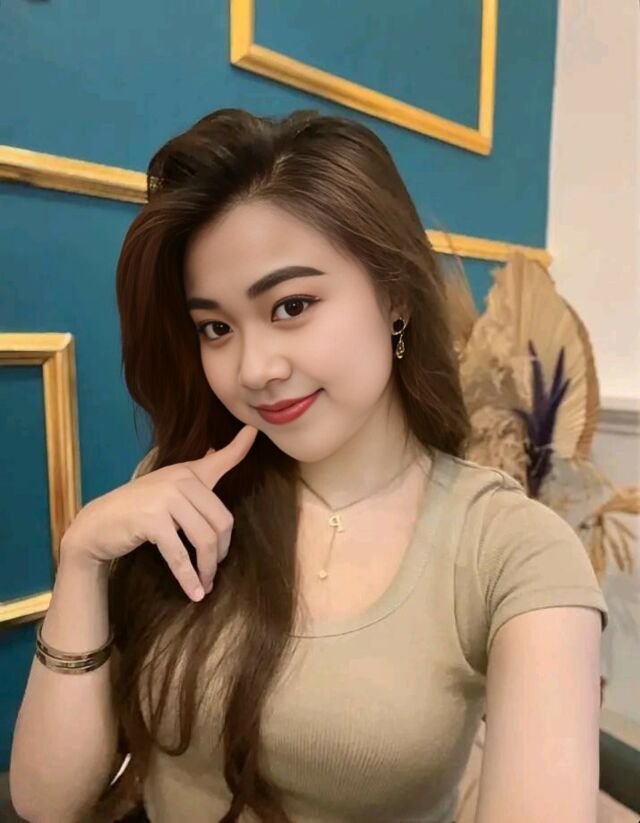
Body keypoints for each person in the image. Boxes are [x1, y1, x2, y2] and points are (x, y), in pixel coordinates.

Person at [10, 108, 609, 823]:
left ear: (394, 296)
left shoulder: (512, 550)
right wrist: (84, 555)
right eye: (216, 327)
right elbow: (44, 802)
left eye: (291, 305)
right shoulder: (185, 495)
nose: (254, 369)